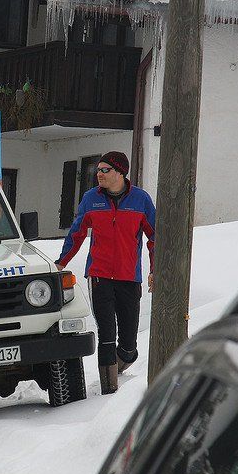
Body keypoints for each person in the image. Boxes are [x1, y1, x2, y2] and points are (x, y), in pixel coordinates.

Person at [55, 151, 155, 395]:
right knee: (107, 334)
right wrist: (61, 262)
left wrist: (156, 269)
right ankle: (108, 390)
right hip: (99, 276)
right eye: (98, 169)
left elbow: (155, 237)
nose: (99, 174)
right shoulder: (91, 199)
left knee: (128, 344)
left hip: (129, 278)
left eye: (105, 170)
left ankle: (122, 362)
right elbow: (76, 233)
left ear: (120, 172)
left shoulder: (141, 200)